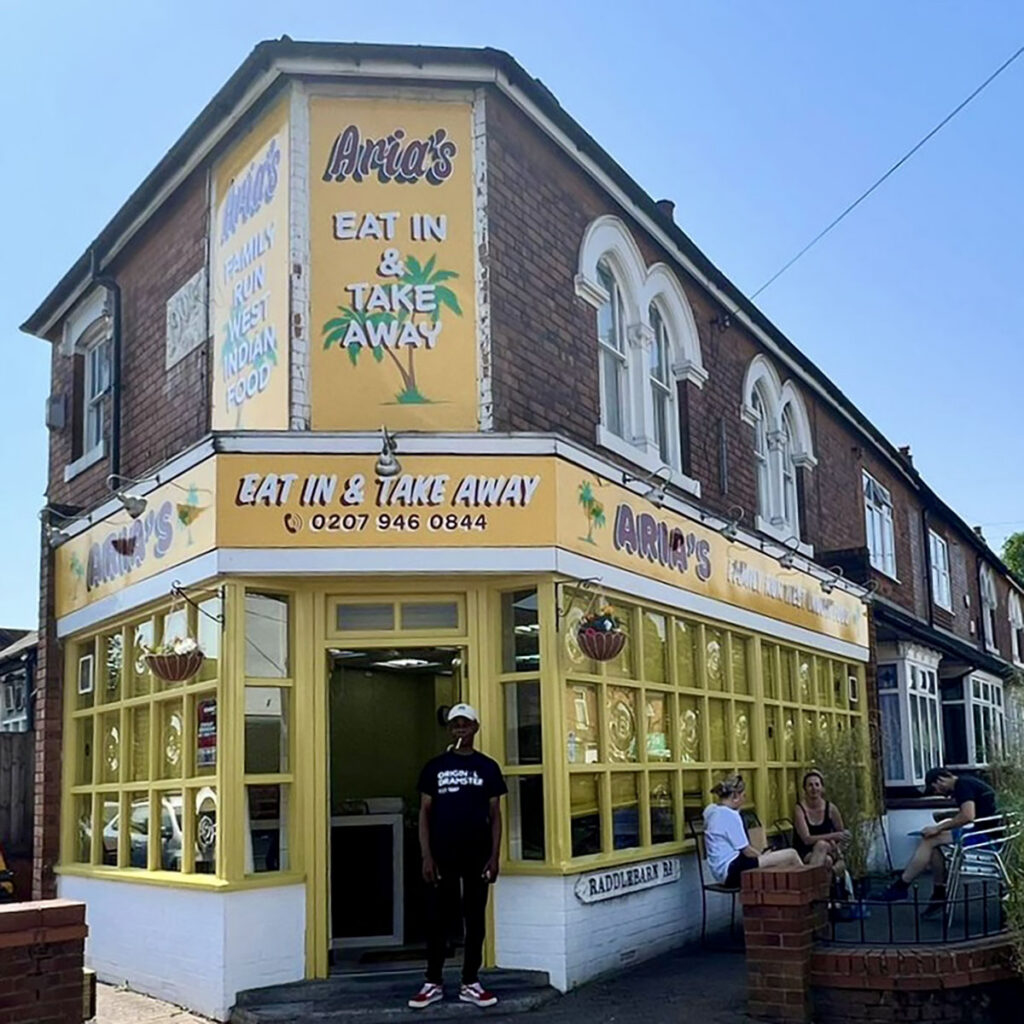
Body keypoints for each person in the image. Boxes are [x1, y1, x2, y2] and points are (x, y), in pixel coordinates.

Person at [408, 703, 507, 1010]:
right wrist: (426, 855)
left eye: (465, 724)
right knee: (437, 918)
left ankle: (470, 981)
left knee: (474, 918)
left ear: (475, 728)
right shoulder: (434, 767)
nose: (460, 729)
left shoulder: (488, 767)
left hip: (476, 854)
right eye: (455, 725)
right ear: (450, 729)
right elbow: (425, 814)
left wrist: (494, 856)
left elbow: (495, 814)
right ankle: (433, 980)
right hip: (441, 853)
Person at [880, 766, 998, 912]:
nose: (939, 794)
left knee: (930, 839)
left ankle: (901, 887)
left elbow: (968, 816)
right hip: (989, 832)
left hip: (985, 837)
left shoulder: (962, 785)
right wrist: (945, 817)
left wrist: (938, 827)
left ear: (940, 780)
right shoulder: (968, 782)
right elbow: (974, 809)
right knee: (934, 846)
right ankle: (938, 892)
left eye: (935, 789)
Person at [703, 775, 802, 888]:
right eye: (743, 796)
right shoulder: (730, 815)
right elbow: (746, 851)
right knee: (791, 855)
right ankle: (808, 892)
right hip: (733, 870)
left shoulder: (710, 810)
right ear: (735, 796)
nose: (744, 800)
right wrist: (762, 856)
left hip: (720, 872)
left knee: (779, 863)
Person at [793, 770, 852, 891]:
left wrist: (838, 849)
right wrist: (833, 836)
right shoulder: (799, 809)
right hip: (805, 852)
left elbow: (843, 835)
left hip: (830, 850)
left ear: (822, 788)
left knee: (823, 848)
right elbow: (807, 839)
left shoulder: (831, 808)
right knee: (827, 860)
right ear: (804, 789)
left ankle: (813, 894)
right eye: (810, 785)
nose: (814, 788)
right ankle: (824, 898)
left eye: (817, 784)